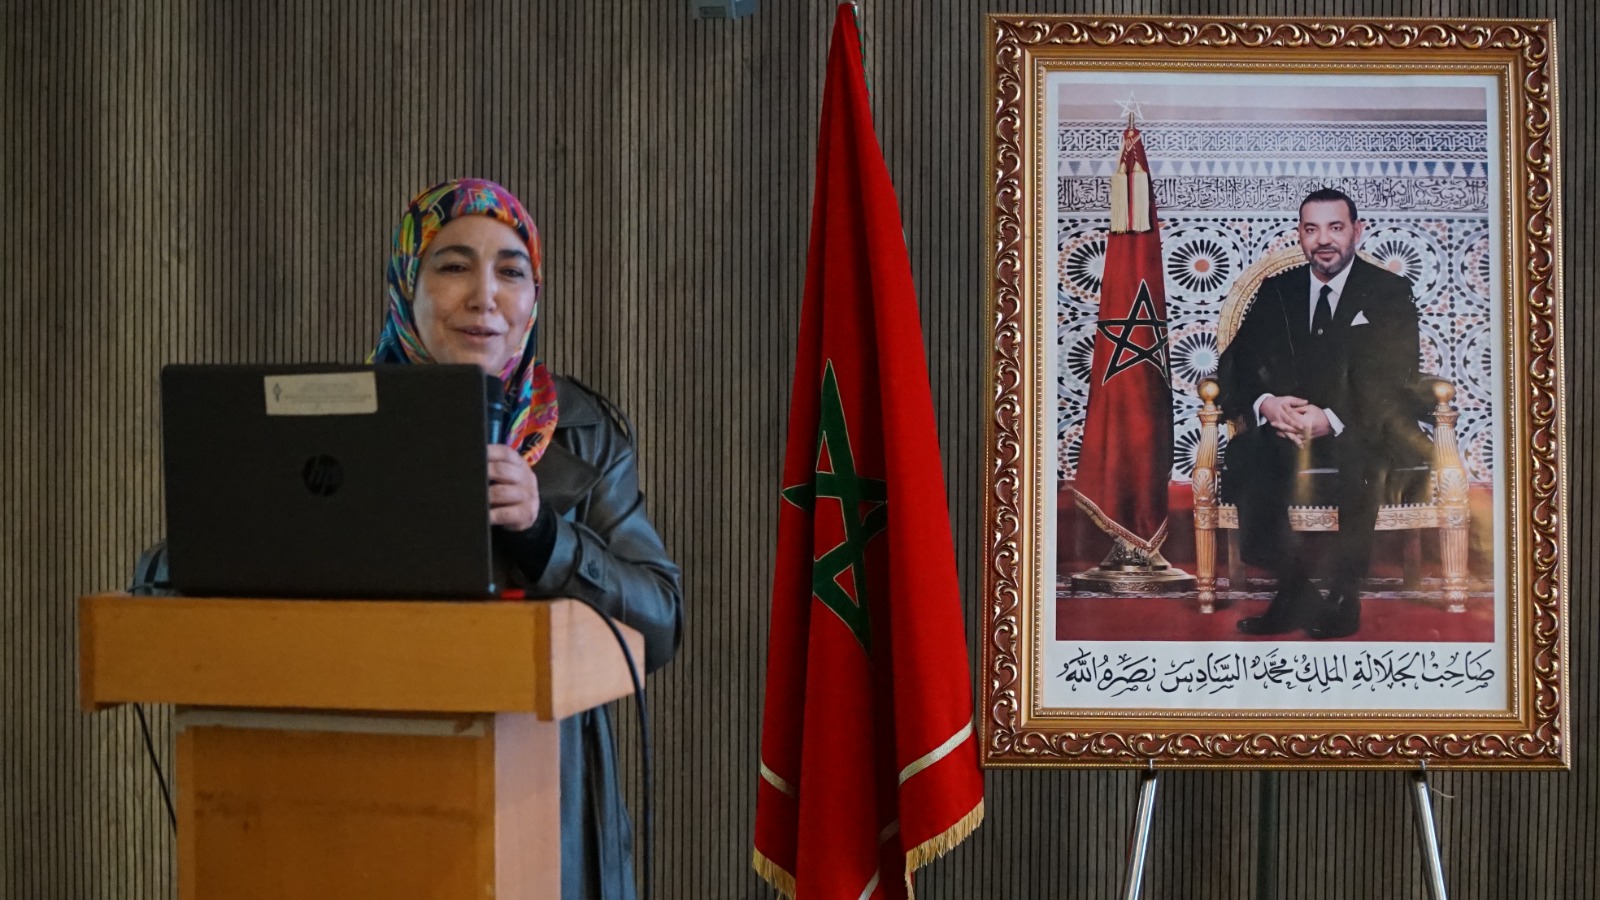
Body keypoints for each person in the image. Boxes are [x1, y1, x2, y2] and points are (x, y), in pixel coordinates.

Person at [370, 178, 683, 899]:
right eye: (453, 266)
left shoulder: (583, 433)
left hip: (553, 805)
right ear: (407, 286)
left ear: (533, 298)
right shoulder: (337, 427)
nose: (484, 296)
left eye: (510, 272)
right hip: (377, 788)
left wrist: (546, 536)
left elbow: (661, 623)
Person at [1217, 187, 1426, 640]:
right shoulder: (1279, 290)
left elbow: (1396, 374)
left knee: (1363, 456)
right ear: (1300, 235)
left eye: (1335, 227)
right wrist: (1267, 404)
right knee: (1246, 454)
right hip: (1288, 426)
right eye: (1312, 230)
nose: (1324, 240)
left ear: (1357, 231)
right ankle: (1295, 588)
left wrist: (1329, 418)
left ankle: (1345, 594)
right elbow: (1237, 362)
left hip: (1360, 424)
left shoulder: (1388, 291)